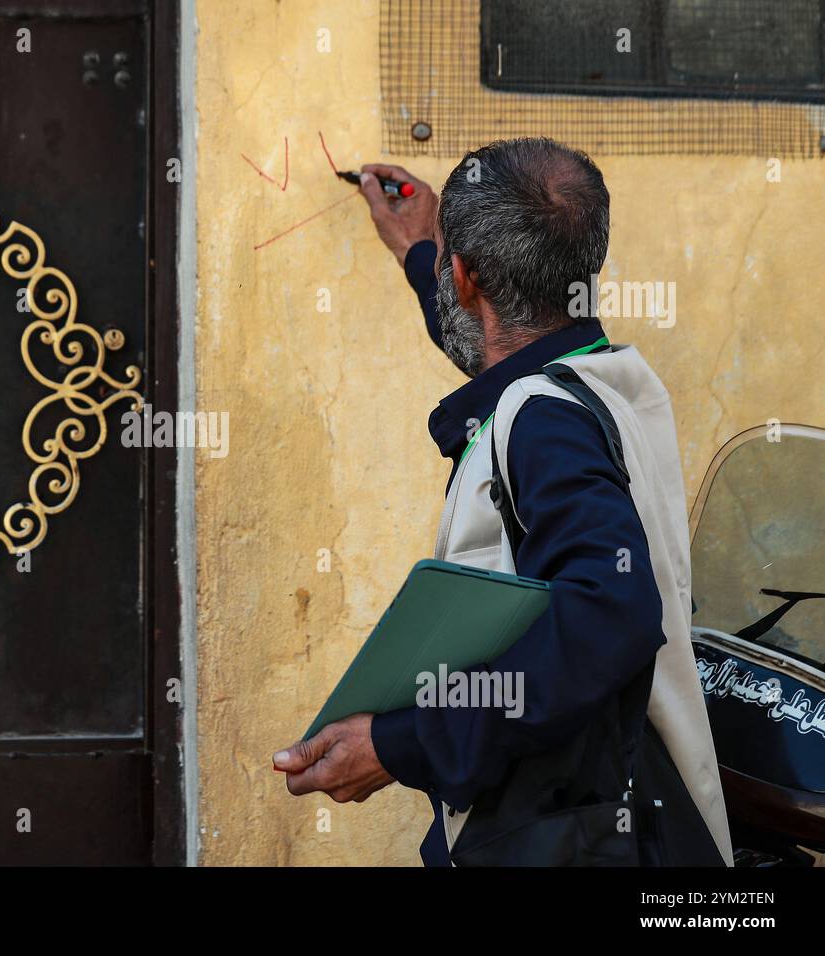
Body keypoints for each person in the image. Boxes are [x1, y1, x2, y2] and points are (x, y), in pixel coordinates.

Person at [273, 137, 733, 866]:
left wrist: (401, 743)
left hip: (572, 832)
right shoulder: (604, 377)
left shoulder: (544, 421)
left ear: (469, 278)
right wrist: (423, 251)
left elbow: (611, 615)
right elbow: (501, 350)